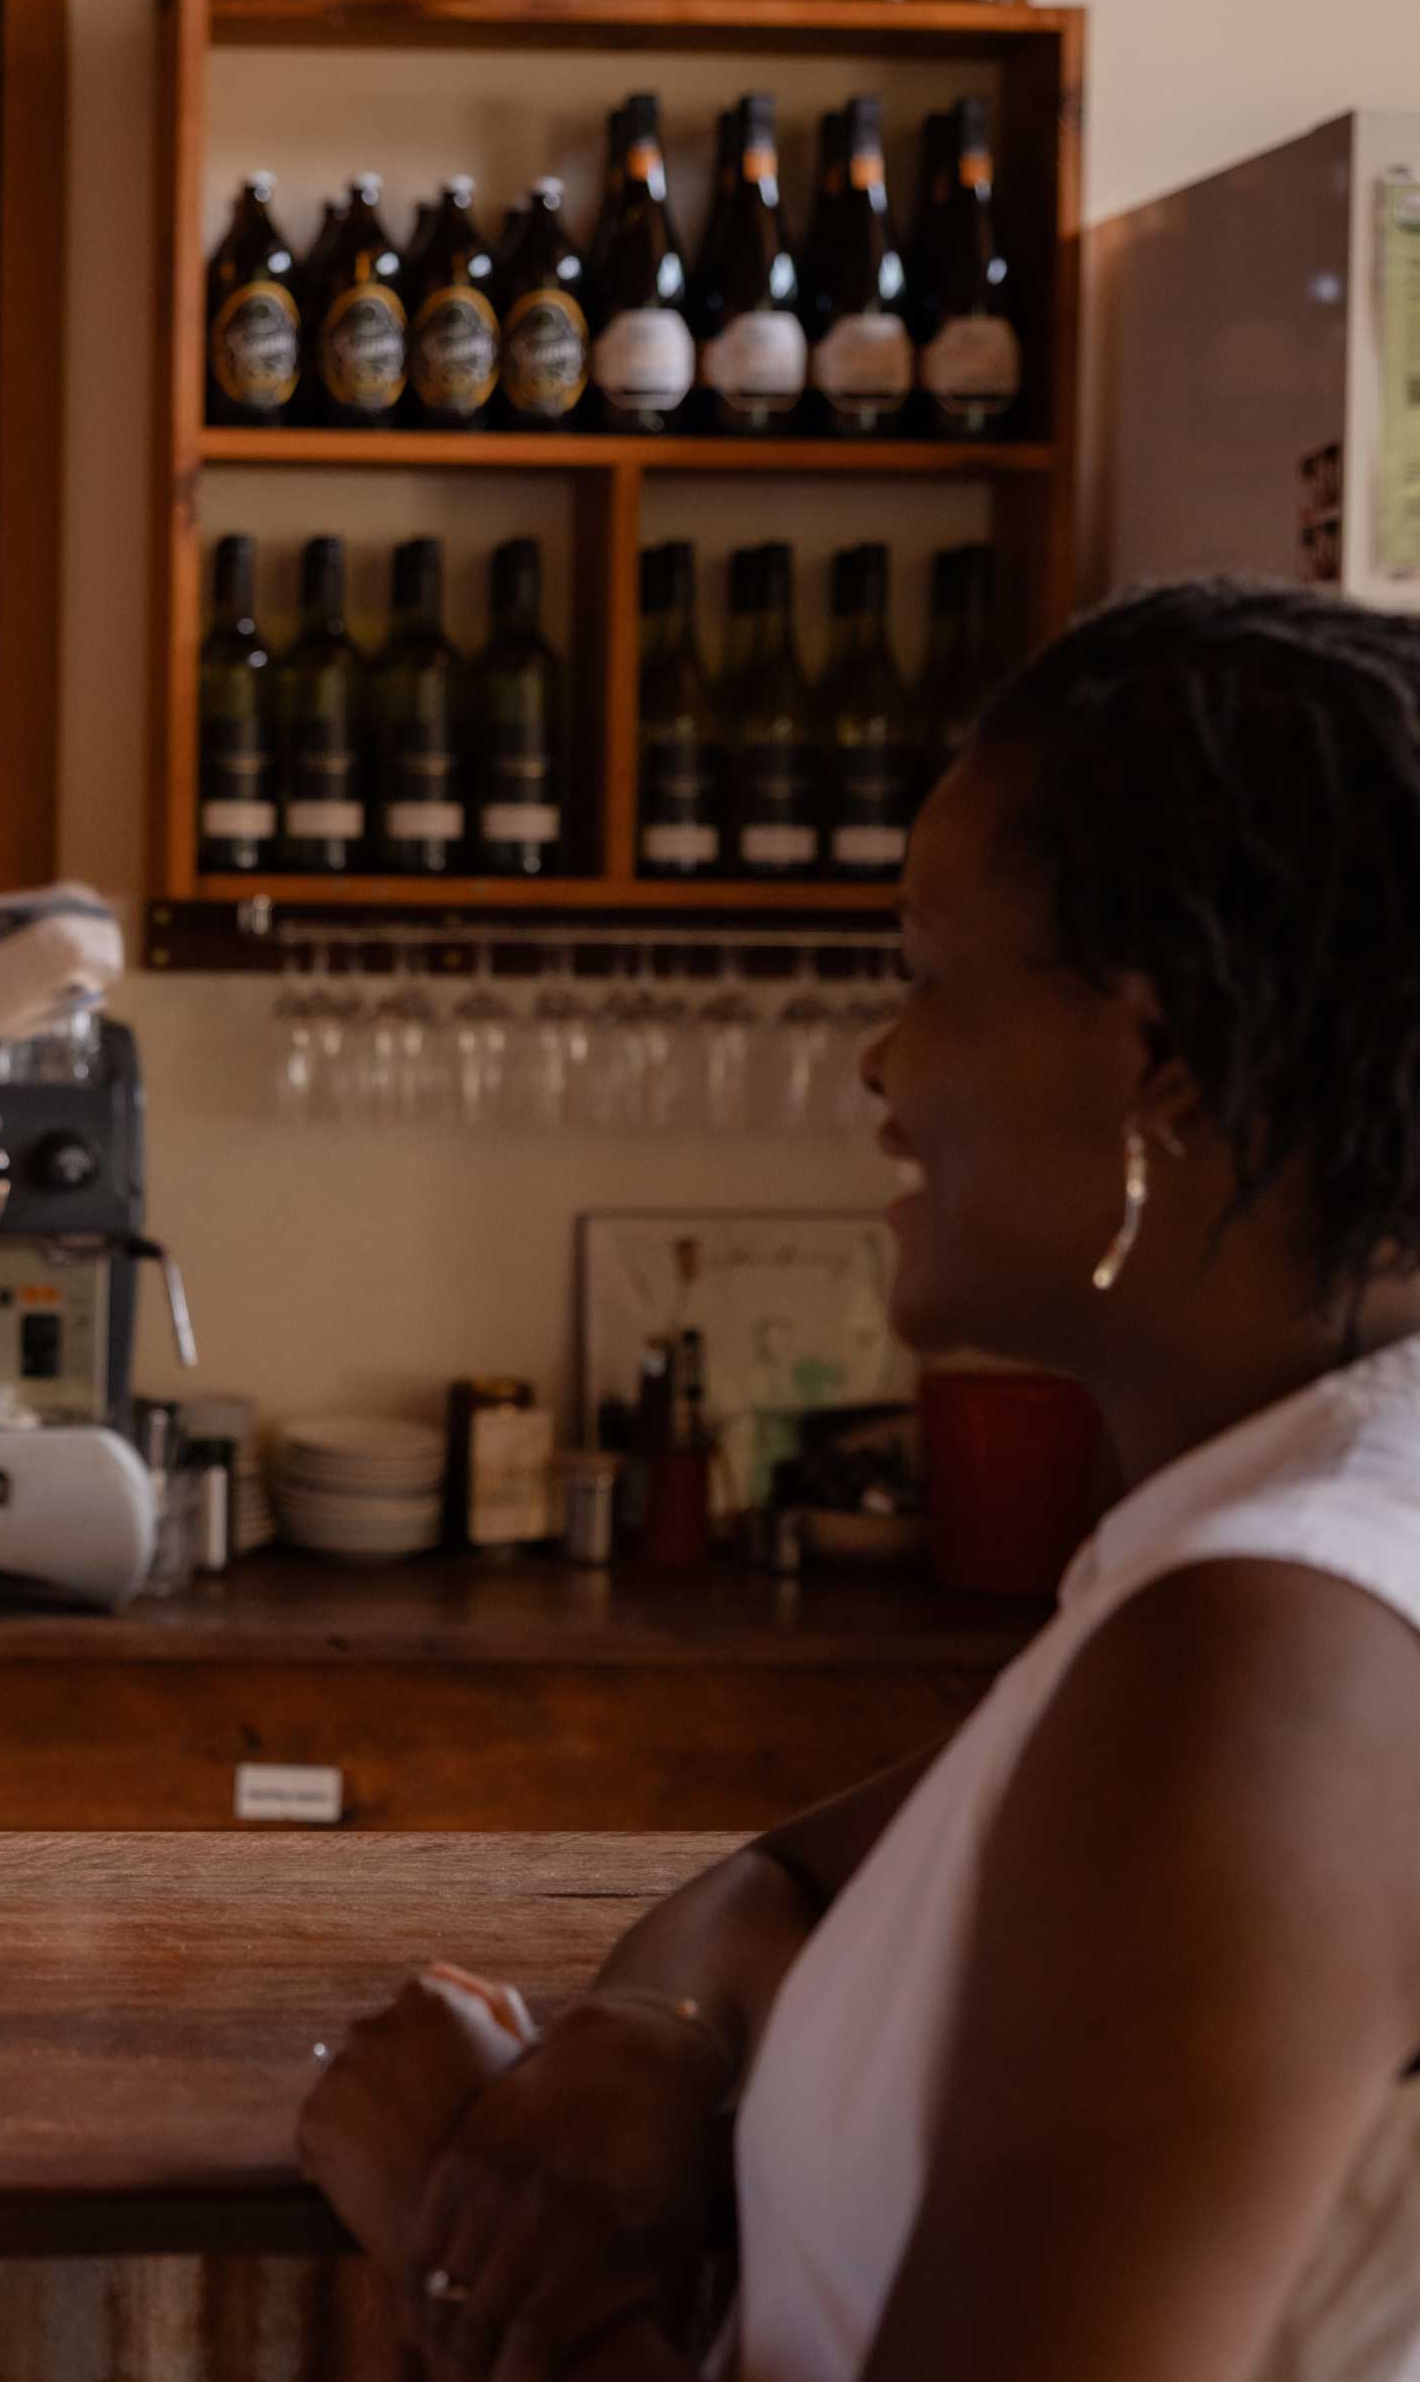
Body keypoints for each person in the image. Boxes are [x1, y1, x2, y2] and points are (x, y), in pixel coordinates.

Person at [298, 577, 1420, 2382]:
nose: (880, 1069)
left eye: (923, 974)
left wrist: (462, 2226)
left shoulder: (1280, 1647)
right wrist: (650, 2037)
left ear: (1157, 1061)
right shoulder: (1266, 1548)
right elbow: (779, 1879)